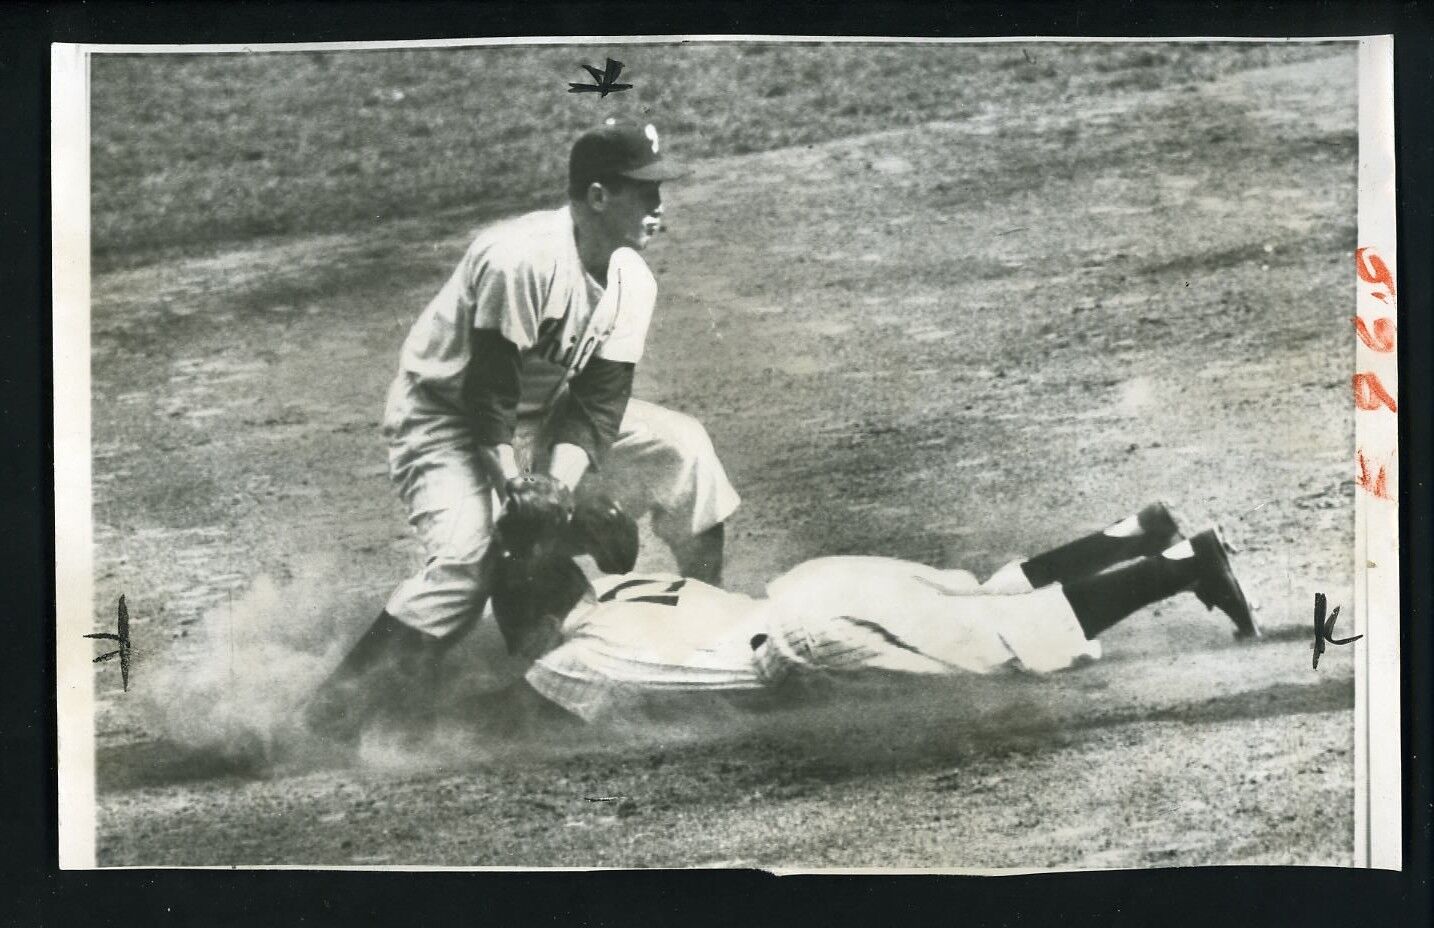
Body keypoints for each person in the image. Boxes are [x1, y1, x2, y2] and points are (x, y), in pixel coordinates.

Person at [308, 121, 740, 733]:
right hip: (447, 420)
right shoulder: (520, 259)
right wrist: (516, 485)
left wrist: (556, 488)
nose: (659, 206)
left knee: (683, 449)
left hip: (547, 415)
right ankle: (328, 719)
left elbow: (598, 401)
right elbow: (489, 395)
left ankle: (705, 636)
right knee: (465, 561)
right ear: (597, 197)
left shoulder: (633, 282)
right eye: (644, 193)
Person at [486, 502, 1261, 725]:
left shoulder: (570, 660)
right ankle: (1127, 535)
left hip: (801, 639)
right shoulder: (629, 588)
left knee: (1007, 654)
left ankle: (1180, 566)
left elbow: (506, 719)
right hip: (814, 588)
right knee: (981, 598)